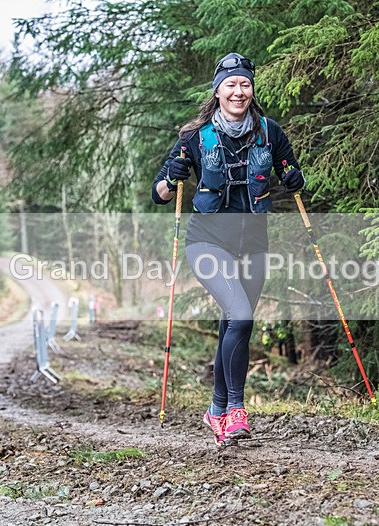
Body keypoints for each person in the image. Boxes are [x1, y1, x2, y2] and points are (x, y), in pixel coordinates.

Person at [152, 53, 304, 446]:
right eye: (231, 84)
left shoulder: (269, 132)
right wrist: (172, 177)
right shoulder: (194, 137)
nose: (239, 91)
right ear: (218, 91)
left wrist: (294, 177)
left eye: (245, 84)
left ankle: (216, 410)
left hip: (254, 244)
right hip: (207, 242)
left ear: (252, 90)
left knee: (234, 323)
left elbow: (289, 171)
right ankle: (236, 410)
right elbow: (160, 194)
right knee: (241, 316)